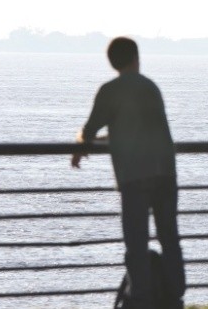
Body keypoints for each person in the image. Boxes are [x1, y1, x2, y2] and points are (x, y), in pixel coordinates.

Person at [72, 37, 185, 308]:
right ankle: (174, 295)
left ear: (112, 62)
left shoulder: (110, 90)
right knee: (169, 238)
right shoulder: (150, 87)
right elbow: (138, 128)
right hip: (165, 173)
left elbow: (89, 130)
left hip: (135, 177)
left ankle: (141, 299)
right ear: (136, 57)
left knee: (136, 243)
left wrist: (79, 148)